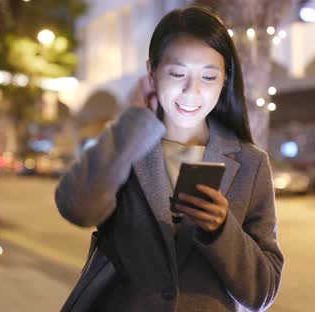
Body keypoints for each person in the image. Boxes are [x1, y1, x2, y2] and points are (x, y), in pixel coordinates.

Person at [55, 5, 284, 311]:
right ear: (152, 71)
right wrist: (133, 123)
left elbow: (262, 291)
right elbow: (76, 207)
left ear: (225, 80)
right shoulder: (128, 144)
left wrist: (221, 230)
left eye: (208, 76)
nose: (192, 91)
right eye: (177, 73)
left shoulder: (251, 164)